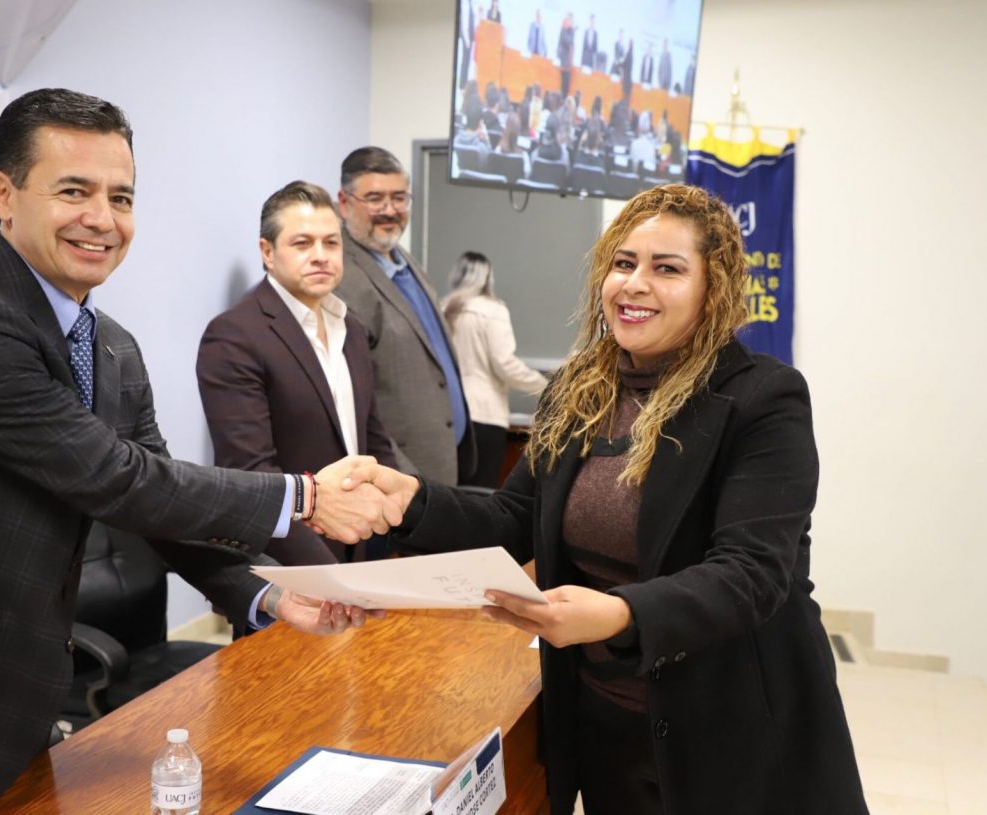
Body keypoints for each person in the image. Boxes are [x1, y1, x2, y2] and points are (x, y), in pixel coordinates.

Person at [0, 89, 392, 815]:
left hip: (24, 694)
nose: (102, 219)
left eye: (121, 197)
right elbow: (114, 478)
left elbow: (157, 508)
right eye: (74, 191)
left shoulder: (111, 346)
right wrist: (306, 496)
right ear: (2, 195)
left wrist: (267, 593)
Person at [344, 185, 870, 814]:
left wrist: (621, 614)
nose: (634, 284)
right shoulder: (578, 390)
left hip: (732, 728)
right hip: (606, 724)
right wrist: (413, 501)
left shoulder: (762, 399)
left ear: (714, 288)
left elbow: (752, 573)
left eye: (667, 268)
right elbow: (516, 517)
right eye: (623, 263)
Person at [197, 181, 398, 565]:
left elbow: (373, 440)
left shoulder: (350, 328)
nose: (320, 256)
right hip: (284, 563)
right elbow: (252, 473)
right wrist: (324, 572)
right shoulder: (234, 335)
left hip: (356, 552)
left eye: (331, 243)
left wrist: (395, 522)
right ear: (267, 252)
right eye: (302, 244)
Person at [335, 147, 475, 486]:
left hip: (442, 463)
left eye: (399, 198)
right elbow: (353, 405)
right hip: (400, 478)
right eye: (375, 199)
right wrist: (405, 478)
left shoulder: (404, 260)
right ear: (344, 202)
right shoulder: (340, 279)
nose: (390, 210)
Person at [442, 252, 547, 488]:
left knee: (450, 492)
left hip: (449, 415)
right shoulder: (493, 310)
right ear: (488, 277)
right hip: (484, 415)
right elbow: (504, 364)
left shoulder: (443, 308)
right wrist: (545, 385)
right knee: (480, 493)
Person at [556, 13, 576, 100]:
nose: (571, 22)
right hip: (563, 62)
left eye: (571, 21)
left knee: (566, 86)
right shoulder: (563, 29)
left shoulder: (571, 31)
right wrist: (572, 30)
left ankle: (563, 99)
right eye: (569, 20)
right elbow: (568, 41)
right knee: (563, 85)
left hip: (568, 63)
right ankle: (561, 99)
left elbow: (572, 44)